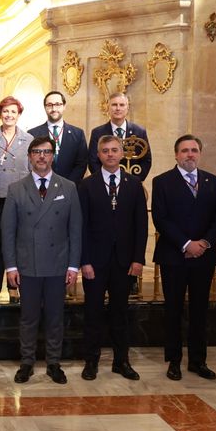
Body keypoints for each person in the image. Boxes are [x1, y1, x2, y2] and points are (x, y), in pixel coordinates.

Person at [2, 136, 82, 385]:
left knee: (55, 316)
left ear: (53, 155)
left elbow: (75, 229)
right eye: (36, 152)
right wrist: (11, 266)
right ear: (29, 156)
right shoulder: (16, 188)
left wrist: (72, 265)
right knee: (28, 316)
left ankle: (53, 363)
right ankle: (26, 362)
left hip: (58, 264)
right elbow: (8, 231)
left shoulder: (68, 187)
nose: (41, 157)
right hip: (28, 264)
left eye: (46, 152)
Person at [151, 134, 216, 381]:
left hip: (203, 257)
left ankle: (198, 361)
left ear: (200, 153)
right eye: (184, 151)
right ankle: (173, 361)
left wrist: (204, 243)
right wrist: (186, 244)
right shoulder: (162, 181)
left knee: (199, 311)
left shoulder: (212, 181)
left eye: (194, 150)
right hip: (174, 256)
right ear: (176, 155)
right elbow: (161, 218)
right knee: (173, 310)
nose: (190, 154)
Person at [78, 135, 148, 381]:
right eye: (105, 150)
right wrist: (84, 261)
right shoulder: (87, 185)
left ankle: (122, 361)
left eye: (114, 150)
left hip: (124, 262)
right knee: (93, 313)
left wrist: (138, 259)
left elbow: (141, 225)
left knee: (120, 313)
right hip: (94, 263)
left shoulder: (134, 184)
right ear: (98, 155)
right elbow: (81, 227)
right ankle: (91, 362)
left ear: (122, 154)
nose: (109, 154)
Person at [0, 95, 32, 303]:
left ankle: (14, 286)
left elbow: (32, 171)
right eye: (5, 111)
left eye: (13, 111)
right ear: (0, 114)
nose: (9, 115)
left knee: (18, 243)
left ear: (19, 115)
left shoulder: (28, 140)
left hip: (20, 198)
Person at [29, 90, 89, 184]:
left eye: (57, 104)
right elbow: (30, 163)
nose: (54, 108)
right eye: (49, 105)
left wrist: (67, 185)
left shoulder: (78, 134)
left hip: (70, 188)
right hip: (41, 187)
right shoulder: (32, 134)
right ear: (45, 107)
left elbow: (81, 164)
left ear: (64, 106)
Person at [88, 92, 151, 180]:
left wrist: (135, 181)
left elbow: (146, 160)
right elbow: (93, 161)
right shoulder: (97, 133)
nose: (118, 108)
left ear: (127, 108)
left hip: (132, 184)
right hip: (105, 183)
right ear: (108, 107)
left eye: (122, 105)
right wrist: (105, 180)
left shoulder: (140, 132)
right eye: (114, 105)